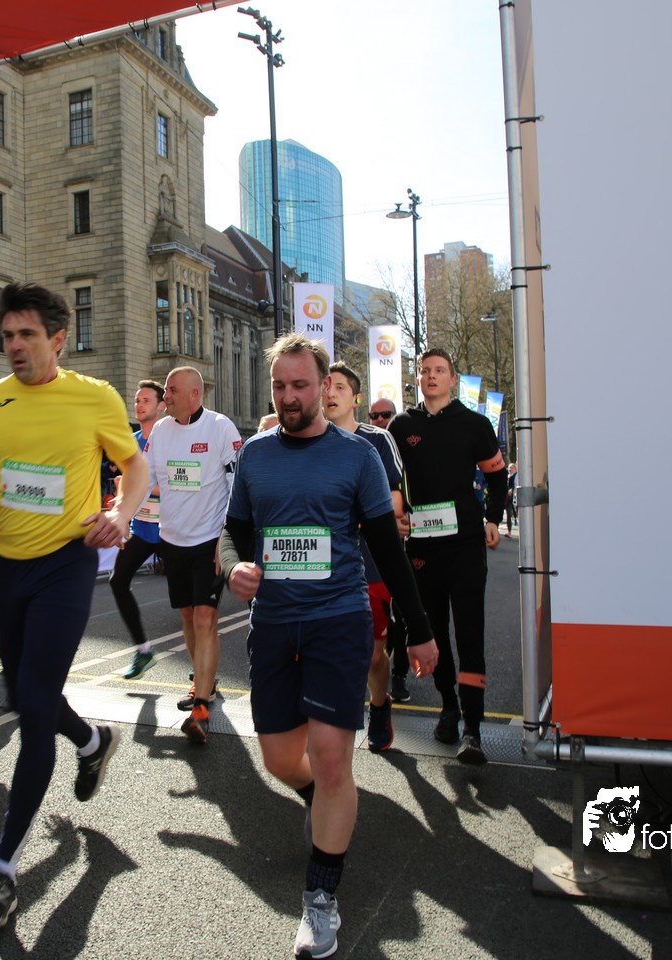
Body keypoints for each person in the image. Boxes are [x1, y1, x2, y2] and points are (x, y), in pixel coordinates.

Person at [220, 333, 437, 960]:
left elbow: (388, 549)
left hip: (338, 619)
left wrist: (420, 629)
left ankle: (320, 898)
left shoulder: (357, 456)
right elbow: (233, 533)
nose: (289, 397)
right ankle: (323, 803)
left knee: (332, 756)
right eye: (280, 387)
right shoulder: (255, 456)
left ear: (323, 387)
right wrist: (232, 568)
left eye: (300, 385)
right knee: (279, 759)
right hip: (273, 623)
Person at [0, 281, 148, 928]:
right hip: (6, 565)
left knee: (33, 706)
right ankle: (91, 740)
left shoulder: (95, 397)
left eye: (27, 335)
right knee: (29, 693)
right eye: (8, 335)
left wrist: (122, 513)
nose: (15, 346)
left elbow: (135, 468)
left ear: (58, 339)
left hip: (67, 562)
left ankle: (2, 869)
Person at [387, 347, 508, 765]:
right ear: (418, 378)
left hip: (466, 545)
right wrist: (397, 515)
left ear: (453, 379)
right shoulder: (402, 426)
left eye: (439, 370)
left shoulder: (474, 424)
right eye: (425, 371)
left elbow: (497, 477)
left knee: (470, 635)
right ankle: (448, 708)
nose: (431, 376)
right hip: (423, 547)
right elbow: (391, 479)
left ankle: (472, 728)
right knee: (432, 634)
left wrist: (493, 518)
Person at [142, 366, 241, 743]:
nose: (165, 396)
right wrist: (121, 511)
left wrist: (226, 538)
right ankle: (205, 681)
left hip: (209, 541)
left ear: (194, 395)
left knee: (204, 617)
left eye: (171, 390)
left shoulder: (220, 428)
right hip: (174, 541)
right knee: (187, 615)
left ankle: (201, 705)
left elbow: (237, 484)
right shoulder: (161, 431)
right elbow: (145, 478)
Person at [321, 361, 405, 752]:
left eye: (340, 387)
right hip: (320, 564)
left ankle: (380, 703)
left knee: (372, 654)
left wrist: (349, 515)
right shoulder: (307, 439)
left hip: (370, 564)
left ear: (355, 398)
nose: (331, 393)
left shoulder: (377, 441)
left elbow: (395, 502)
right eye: (326, 386)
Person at [112, 379, 166, 680]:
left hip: (171, 529)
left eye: (146, 400)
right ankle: (143, 650)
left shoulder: (170, 438)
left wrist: (142, 487)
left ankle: (202, 667)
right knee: (117, 581)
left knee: (189, 599)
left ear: (161, 405)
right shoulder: (130, 443)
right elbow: (125, 485)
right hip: (142, 528)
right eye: (137, 400)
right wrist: (121, 514)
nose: (139, 404)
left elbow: (177, 484)